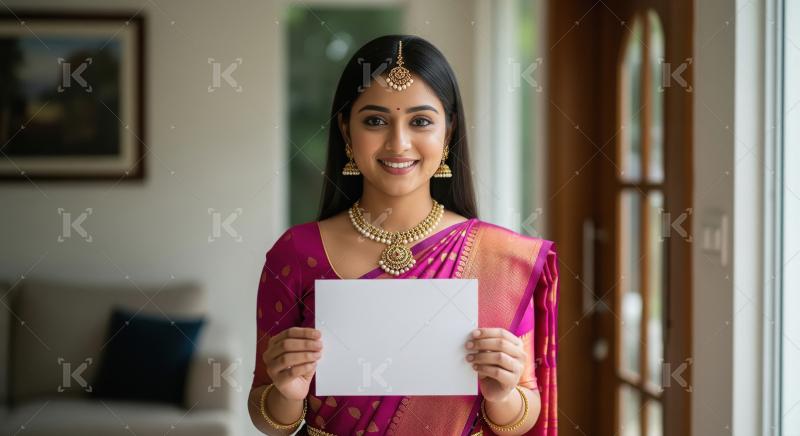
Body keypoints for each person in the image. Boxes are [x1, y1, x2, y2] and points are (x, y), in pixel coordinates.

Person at [248, 34, 559, 436]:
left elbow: (522, 414)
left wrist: (501, 394)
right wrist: (288, 391)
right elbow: (267, 417)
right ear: (346, 131)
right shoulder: (297, 252)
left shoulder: (501, 258)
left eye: (421, 121)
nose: (398, 143)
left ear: (448, 133)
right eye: (375, 121)